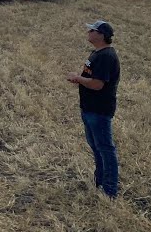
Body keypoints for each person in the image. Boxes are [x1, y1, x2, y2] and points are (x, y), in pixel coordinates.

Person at [67, 20, 121, 199]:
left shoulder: (106, 56)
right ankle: (100, 182)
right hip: (89, 108)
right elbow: (91, 79)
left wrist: (78, 78)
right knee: (97, 148)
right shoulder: (97, 53)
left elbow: (98, 84)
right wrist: (80, 79)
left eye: (92, 30)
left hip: (99, 110)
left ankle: (110, 191)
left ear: (101, 35)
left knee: (105, 149)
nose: (88, 32)